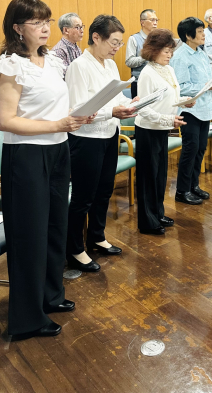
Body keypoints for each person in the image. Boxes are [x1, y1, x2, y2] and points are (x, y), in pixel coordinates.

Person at [0, 0, 92, 341]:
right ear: (18, 28)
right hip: (27, 157)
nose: (45, 28)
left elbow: (57, 106)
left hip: (58, 150)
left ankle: (50, 295)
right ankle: (27, 319)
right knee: (29, 236)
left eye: (47, 21)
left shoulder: (52, 61)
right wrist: (57, 124)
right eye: (36, 22)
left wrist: (80, 115)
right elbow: (6, 120)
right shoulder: (11, 65)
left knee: (54, 228)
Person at [65, 15, 138, 272]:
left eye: (120, 43)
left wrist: (131, 105)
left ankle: (96, 237)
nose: (117, 48)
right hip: (87, 139)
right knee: (83, 196)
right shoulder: (78, 66)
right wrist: (113, 111)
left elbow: (116, 98)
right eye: (114, 42)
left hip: (109, 133)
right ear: (96, 37)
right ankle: (75, 249)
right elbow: (76, 109)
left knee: (105, 190)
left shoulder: (110, 65)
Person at [135, 29, 191, 235]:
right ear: (154, 50)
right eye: (166, 51)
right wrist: (167, 119)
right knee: (148, 177)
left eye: (171, 51)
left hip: (162, 129)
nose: (169, 55)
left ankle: (158, 213)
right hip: (148, 129)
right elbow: (143, 108)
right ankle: (147, 222)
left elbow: (170, 97)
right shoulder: (147, 73)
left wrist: (185, 101)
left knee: (159, 176)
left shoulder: (168, 69)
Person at [170, 17, 212, 205]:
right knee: (190, 149)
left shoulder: (201, 53)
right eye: (200, 31)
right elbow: (181, 87)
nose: (204, 35)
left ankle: (194, 185)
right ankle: (182, 190)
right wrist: (207, 85)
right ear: (188, 35)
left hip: (204, 108)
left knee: (200, 149)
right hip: (190, 110)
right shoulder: (180, 56)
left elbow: (206, 79)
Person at [125, 9, 159, 97]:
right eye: (152, 20)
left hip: (157, 82)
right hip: (140, 83)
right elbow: (129, 62)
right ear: (142, 22)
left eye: (156, 20)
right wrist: (145, 56)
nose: (155, 23)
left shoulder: (158, 39)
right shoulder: (134, 39)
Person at [51, 12, 84, 77]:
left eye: (82, 27)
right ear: (66, 30)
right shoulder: (58, 51)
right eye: (77, 27)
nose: (82, 31)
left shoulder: (76, 47)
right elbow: (64, 77)